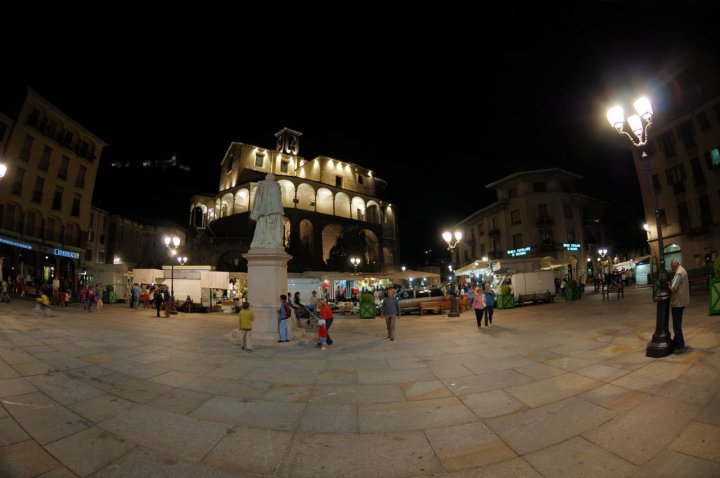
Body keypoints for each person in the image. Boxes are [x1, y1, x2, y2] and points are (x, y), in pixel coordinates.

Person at [249, 173, 284, 249]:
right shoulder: (276, 185)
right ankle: (274, 242)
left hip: (263, 210)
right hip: (275, 210)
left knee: (262, 227)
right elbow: (279, 199)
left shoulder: (262, 185)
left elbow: (258, 199)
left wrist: (256, 211)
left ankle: (261, 242)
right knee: (274, 228)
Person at [668, 259, 689, 353]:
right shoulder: (683, 270)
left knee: (677, 324)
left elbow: (673, 289)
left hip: (678, 302)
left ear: (674, 265)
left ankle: (680, 344)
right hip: (682, 301)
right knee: (678, 323)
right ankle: (676, 341)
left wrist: (668, 285)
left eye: (672, 267)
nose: (672, 269)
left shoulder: (679, 273)